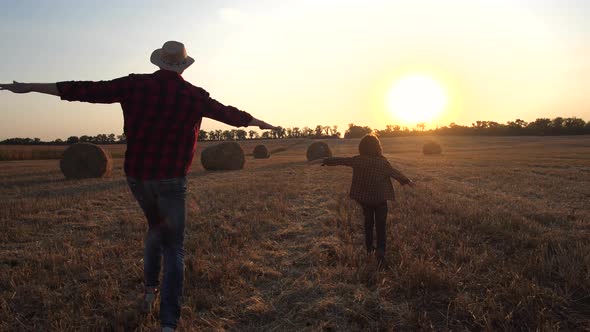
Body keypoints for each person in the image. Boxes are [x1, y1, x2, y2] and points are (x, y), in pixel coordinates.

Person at [0, 40, 277, 331]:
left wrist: (30, 86)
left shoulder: (134, 85)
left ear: (159, 62)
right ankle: (169, 323)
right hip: (171, 179)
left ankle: (148, 293)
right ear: (183, 65)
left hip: (138, 178)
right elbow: (231, 115)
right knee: (174, 249)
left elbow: (85, 89)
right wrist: (261, 123)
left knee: (155, 229)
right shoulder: (193, 95)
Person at [313, 134, 414, 268]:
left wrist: (327, 161)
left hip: (365, 200)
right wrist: (407, 181)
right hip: (380, 199)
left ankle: (369, 249)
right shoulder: (382, 162)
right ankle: (381, 251)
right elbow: (395, 173)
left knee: (368, 224)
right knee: (381, 226)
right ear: (378, 147)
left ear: (362, 147)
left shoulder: (358, 160)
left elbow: (343, 160)